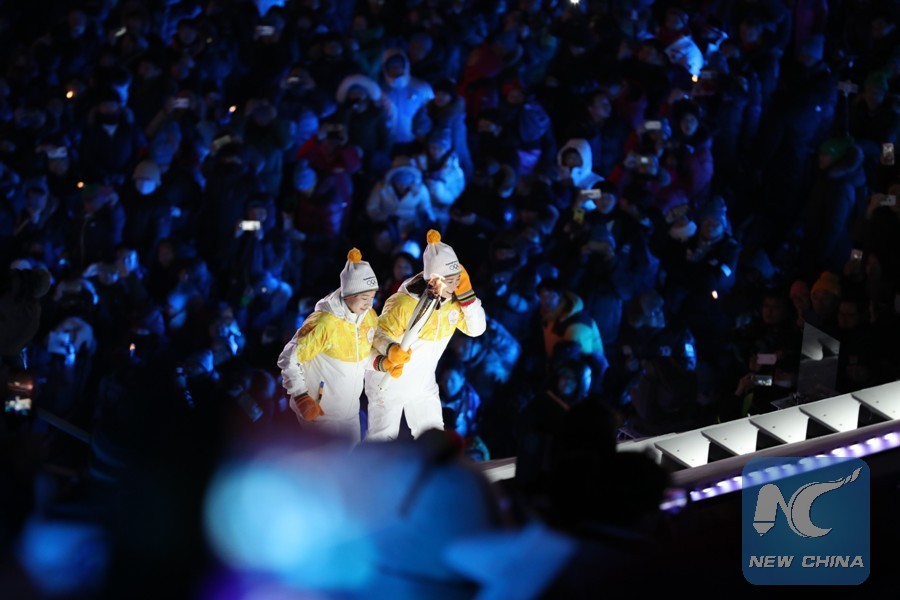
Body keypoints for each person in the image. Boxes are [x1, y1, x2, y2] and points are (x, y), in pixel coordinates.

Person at [365, 230, 486, 441]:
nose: (455, 286)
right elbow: (377, 335)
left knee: (434, 438)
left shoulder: (453, 304)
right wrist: (390, 350)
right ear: (434, 279)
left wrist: (467, 298)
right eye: (450, 280)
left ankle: (434, 463)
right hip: (389, 381)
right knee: (382, 440)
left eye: (459, 280)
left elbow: (476, 329)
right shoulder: (404, 303)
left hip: (423, 383)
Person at [277, 249, 401, 444]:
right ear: (348, 294)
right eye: (364, 298)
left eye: (372, 297)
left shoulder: (368, 317)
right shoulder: (325, 323)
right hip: (320, 414)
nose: (369, 304)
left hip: (349, 413)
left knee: (351, 462)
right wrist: (301, 397)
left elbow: (358, 356)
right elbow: (288, 359)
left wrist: (381, 363)